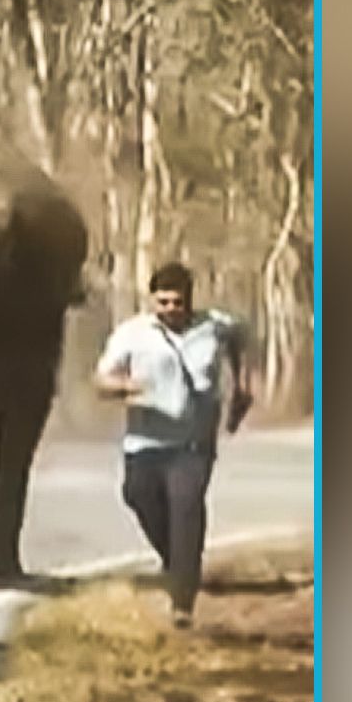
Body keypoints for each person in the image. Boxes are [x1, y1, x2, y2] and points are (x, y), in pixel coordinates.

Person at [94, 262, 253, 629]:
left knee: (186, 507)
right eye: (162, 302)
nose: (169, 309)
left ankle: (183, 601)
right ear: (152, 300)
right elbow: (101, 380)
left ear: (190, 301)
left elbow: (241, 339)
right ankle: (178, 561)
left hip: (193, 443)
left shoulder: (214, 326)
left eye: (177, 302)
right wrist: (125, 388)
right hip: (144, 442)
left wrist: (242, 389)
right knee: (137, 495)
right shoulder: (132, 334)